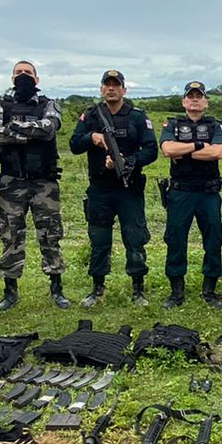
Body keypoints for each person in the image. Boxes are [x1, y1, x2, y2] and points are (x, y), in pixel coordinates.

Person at [69, 69, 159, 307]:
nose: (111, 88)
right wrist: (93, 138)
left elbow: (151, 150)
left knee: (135, 237)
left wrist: (128, 162)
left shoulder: (138, 117)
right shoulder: (90, 115)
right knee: (99, 239)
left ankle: (138, 289)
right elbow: (74, 145)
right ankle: (97, 290)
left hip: (129, 188)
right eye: (107, 85)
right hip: (100, 188)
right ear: (101, 89)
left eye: (116, 85)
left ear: (123, 90)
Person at [0, 60, 69, 310]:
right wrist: (27, 134)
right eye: (19, 73)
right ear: (12, 79)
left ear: (37, 79)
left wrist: (14, 129)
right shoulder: (1, 104)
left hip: (44, 181)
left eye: (28, 73)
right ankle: (10, 291)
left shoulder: (48, 104)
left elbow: (49, 128)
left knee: (50, 234)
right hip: (12, 180)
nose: (23, 76)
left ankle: (57, 289)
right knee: (10, 234)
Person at [158, 81, 222, 308]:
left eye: (199, 96)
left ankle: (209, 291)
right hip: (181, 193)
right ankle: (176, 293)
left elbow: (218, 152)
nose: (195, 99)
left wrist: (185, 149)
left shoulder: (216, 125)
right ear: (184, 101)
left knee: (214, 239)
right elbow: (168, 150)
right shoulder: (172, 124)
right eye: (191, 96)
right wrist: (200, 145)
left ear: (206, 102)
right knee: (176, 239)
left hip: (208, 193)